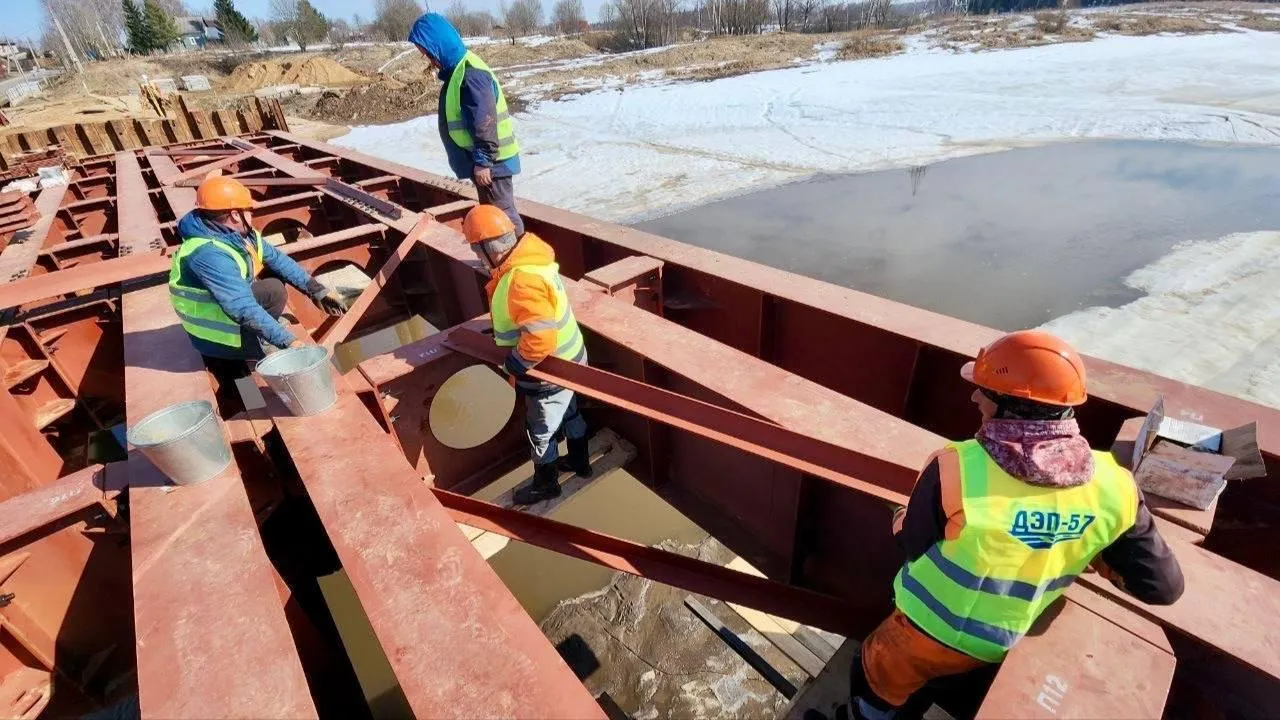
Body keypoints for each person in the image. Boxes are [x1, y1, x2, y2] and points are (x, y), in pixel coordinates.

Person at [845, 330, 1185, 720]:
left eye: (984, 391)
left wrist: (899, 517)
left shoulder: (957, 467)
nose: (974, 397)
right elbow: (1163, 587)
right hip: (997, 643)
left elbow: (911, 543)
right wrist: (1085, 546)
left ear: (1011, 405)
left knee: (874, 673)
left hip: (924, 633)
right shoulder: (1116, 487)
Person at [168, 176, 346, 398]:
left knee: (273, 286)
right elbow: (241, 308)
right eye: (248, 210)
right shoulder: (209, 254)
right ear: (234, 214)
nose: (252, 214)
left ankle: (260, 336)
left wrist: (317, 290)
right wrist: (288, 341)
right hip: (216, 337)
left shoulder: (235, 235)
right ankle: (248, 388)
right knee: (246, 382)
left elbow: (279, 261)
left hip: (226, 314)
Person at [463, 204, 592, 504]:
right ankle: (580, 463)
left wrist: (515, 363)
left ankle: (546, 484)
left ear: (487, 249)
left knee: (541, 430)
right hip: (572, 361)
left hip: (548, 371)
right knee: (570, 411)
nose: (476, 259)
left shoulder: (520, 279)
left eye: (475, 251)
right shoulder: (534, 261)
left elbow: (539, 339)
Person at [408, 13, 524, 237]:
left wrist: (483, 162)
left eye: (429, 54)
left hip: (493, 163)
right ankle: (502, 260)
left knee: (503, 215)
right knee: (493, 215)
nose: (429, 61)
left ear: (439, 46)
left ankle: (517, 260)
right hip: (488, 162)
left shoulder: (470, 73)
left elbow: (484, 121)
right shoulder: (459, 70)